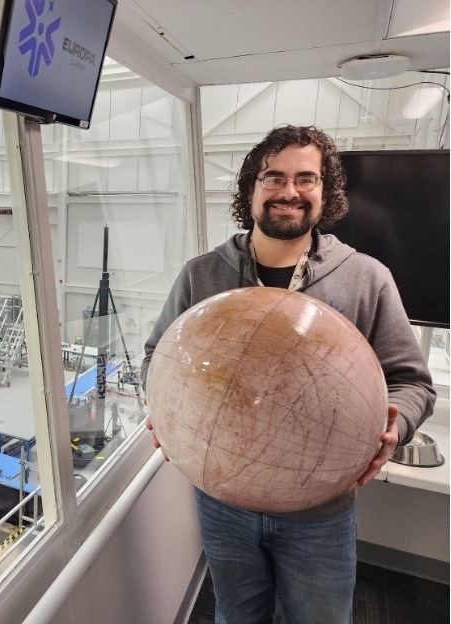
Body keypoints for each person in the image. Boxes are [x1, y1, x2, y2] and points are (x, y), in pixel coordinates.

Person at [141, 125, 435, 624]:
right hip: (223, 501)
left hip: (319, 512)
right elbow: (157, 358)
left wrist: (394, 426)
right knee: (236, 616)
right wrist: (166, 407)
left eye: (306, 179)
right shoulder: (201, 276)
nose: (289, 192)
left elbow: (413, 382)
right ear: (250, 190)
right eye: (273, 178)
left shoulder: (366, 277)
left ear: (326, 192)